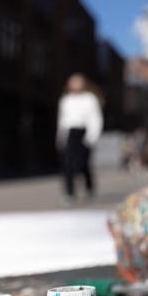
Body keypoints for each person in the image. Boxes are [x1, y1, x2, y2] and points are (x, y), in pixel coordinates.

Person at [57, 73, 103, 205]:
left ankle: (89, 187)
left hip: (84, 132)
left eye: (77, 81)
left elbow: (95, 118)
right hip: (69, 133)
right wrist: (61, 137)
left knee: (83, 164)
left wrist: (92, 136)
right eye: (72, 81)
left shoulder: (90, 99)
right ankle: (69, 193)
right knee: (68, 164)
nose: (75, 84)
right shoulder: (65, 100)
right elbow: (62, 120)